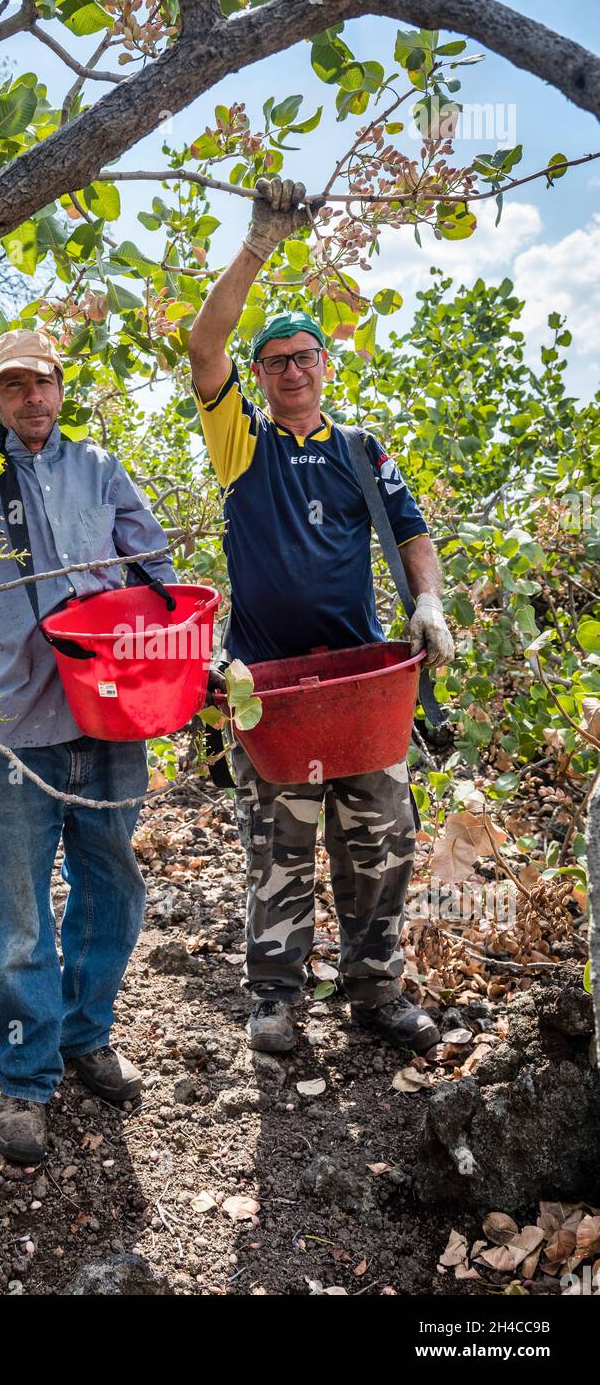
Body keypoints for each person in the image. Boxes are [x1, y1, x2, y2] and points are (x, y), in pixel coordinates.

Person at [188, 177, 455, 1056]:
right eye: (275, 362)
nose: (292, 370)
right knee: (278, 847)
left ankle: (375, 993)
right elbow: (202, 342)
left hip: (362, 687)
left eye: (304, 356)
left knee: (380, 844)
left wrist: (427, 601)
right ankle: (274, 999)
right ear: (259, 377)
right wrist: (259, 242)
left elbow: (411, 534)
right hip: (270, 687)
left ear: (323, 366)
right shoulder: (241, 443)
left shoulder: (358, 450)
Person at [0, 328, 176, 1164]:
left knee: (111, 884)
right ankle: (24, 1079)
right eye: (11, 386)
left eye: (42, 382)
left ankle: (86, 1037)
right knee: (17, 912)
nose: (31, 398)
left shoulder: (98, 467)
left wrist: (166, 634)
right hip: (14, 719)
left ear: (60, 388)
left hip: (110, 708)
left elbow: (154, 563)